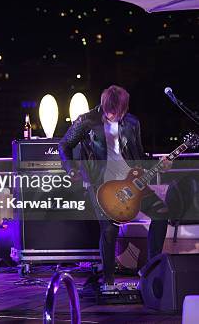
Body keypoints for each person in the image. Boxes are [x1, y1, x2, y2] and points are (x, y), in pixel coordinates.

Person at [59, 85, 171, 289]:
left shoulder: (132, 122)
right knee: (109, 230)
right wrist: (72, 169)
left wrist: (159, 164)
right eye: (109, 111)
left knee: (161, 213)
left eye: (117, 112)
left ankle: (151, 268)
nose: (112, 115)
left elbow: (138, 156)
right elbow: (64, 145)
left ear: (124, 109)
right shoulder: (86, 121)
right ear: (103, 105)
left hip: (131, 180)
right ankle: (108, 281)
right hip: (100, 183)